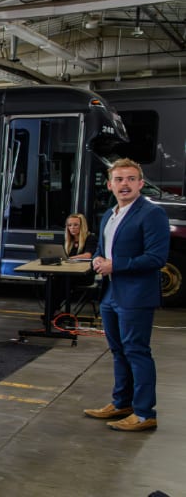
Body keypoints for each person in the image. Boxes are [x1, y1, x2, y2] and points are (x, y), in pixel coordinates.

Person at [83, 159, 168, 432]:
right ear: (110, 185)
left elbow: (156, 258)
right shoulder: (110, 214)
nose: (125, 184)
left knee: (136, 352)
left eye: (131, 179)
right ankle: (122, 403)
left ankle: (144, 413)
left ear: (141, 184)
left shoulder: (151, 214)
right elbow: (102, 248)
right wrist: (97, 259)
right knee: (118, 351)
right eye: (119, 179)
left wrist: (115, 265)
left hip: (135, 295)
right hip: (111, 294)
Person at [48, 213, 98, 313]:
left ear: (82, 226)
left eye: (76, 225)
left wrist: (68, 258)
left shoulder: (90, 238)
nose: (72, 228)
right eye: (69, 225)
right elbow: (62, 255)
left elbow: (87, 255)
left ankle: (52, 311)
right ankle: (52, 311)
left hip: (84, 275)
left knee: (61, 282)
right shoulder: (68, 241)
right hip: (68, 273)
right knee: (51, 281)